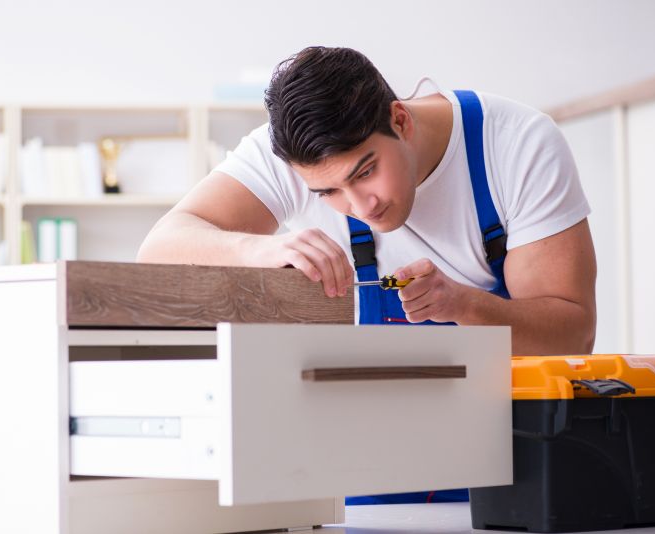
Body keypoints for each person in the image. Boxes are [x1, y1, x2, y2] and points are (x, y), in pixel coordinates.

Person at [137, 46, 597, 502]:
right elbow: (158, 250)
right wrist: (259, 247)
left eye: (366, 171)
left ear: (400, 119)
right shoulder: (281, 154)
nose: (361, 206)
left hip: (506, 474)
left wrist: (463, 304)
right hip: (354, 474)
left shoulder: (517, 144)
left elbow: (571, 338)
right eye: (328, 193)